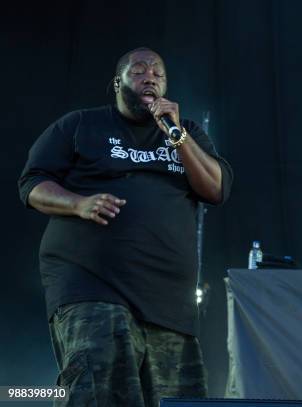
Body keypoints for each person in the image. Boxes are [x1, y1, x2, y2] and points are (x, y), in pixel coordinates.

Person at [18, 47, 232, 406]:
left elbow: (216, 188)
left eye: (158, 73)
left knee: (174, 397)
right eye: (139, 70)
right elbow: (32, 184)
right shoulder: (81, 125)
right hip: (91, 282)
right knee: (96, 386)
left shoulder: (186, 134)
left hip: (167, 300)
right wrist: (78, 203)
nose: (150, 76)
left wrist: (177, 136)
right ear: (118, 82)